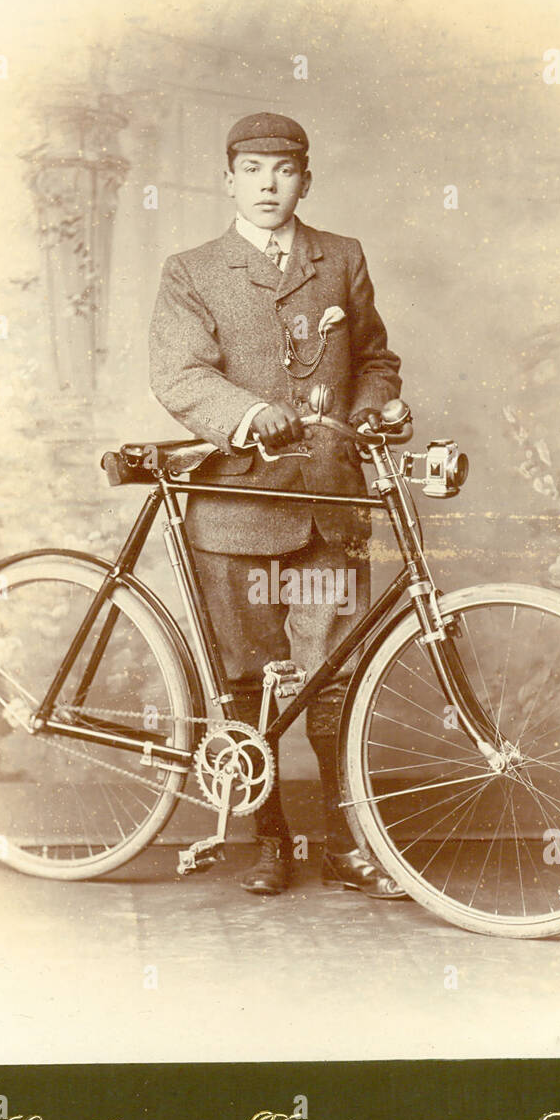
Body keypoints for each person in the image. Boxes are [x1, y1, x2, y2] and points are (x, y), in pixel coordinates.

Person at [149, 111, 407, 899]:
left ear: (305, 178)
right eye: (252, 169)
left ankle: (343, 843)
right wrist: (247, 415)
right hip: (234, 509)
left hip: (328, 503)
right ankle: (271, 843)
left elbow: (374, 359)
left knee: (333, 678)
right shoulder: (192, 270)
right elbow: (182, 376)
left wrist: (374, 409)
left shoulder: (341, 259)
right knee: (249, 680)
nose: (268, 184)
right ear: (228, 179)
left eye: (284, 169)